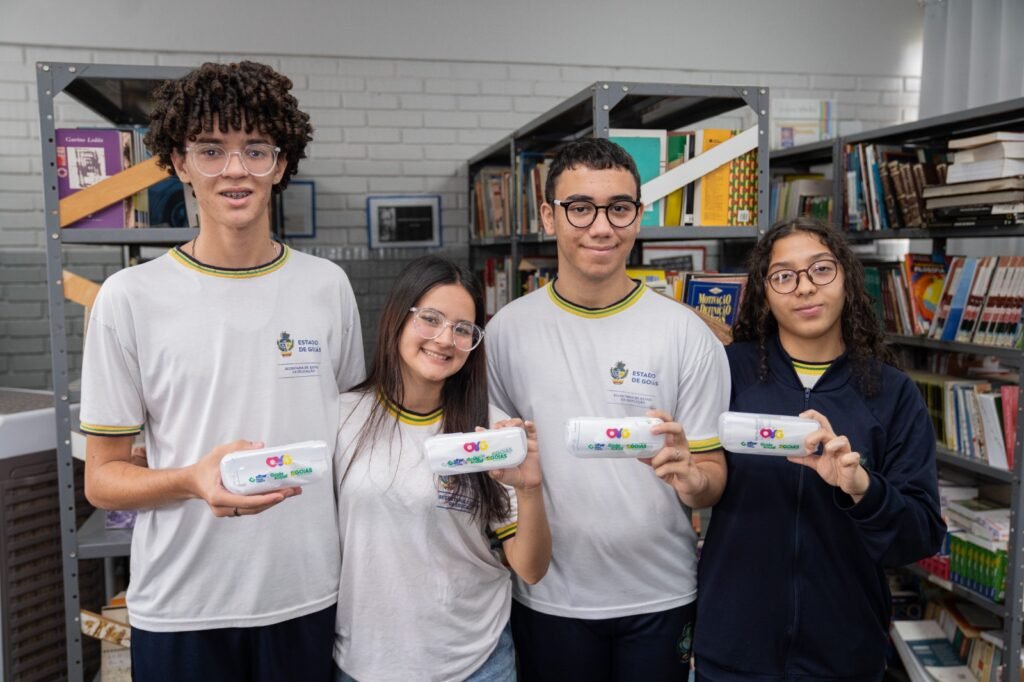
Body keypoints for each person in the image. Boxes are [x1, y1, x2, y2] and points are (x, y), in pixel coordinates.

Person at [79, 61, 365, 682]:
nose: (235, 169)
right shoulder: (129, 298)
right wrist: (191, 479)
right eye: (210, 150)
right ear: (180, 163)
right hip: (183, 607)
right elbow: (101, 481)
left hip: (308, 594)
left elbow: (351, 441)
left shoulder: (328, 286)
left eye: (255, 149)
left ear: (281, 164)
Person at [485, 137, 730, 681]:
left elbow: (712, 480)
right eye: (580, 208)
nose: (601, 227)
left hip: (662, 593)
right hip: (549, 597)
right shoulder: (505, 333)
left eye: (618, 208)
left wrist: (693, 479)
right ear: (548, 216)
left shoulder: (686, 334)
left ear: (638, 217)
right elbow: (498, 478)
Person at [694, 218, 946, 681]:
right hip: (733, 649)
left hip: (844, 656)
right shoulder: (728, 373)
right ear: (764, 293)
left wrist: (861, 487)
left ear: (847, 278)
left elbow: (921, 536)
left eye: (821, 269)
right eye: (784, 276)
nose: (805, 287)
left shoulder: (892, 393)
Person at [332, 255, 551, 682]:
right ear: (398, 318)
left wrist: (530, 489)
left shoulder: (489, 431)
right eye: (430, 319)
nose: (445, 339)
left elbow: (531, 568)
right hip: (365, 662)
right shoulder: (341, 417)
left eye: (463, 329)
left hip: (475, 662)